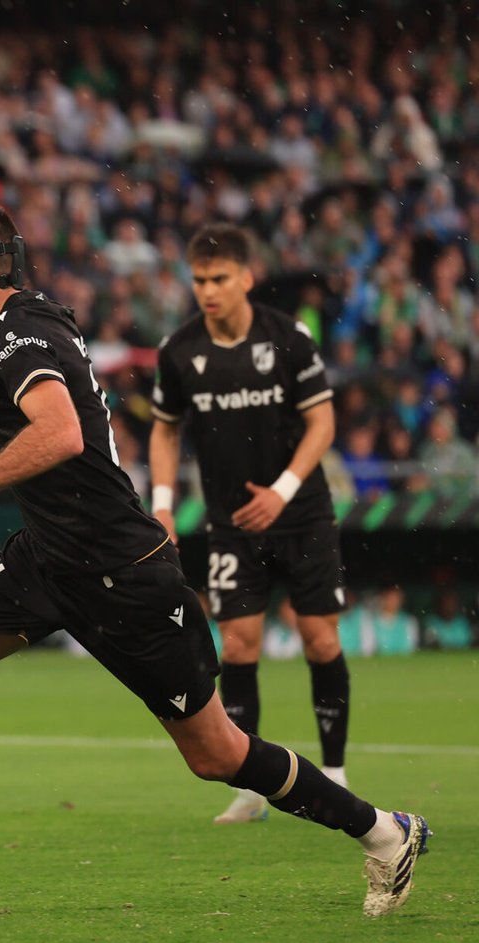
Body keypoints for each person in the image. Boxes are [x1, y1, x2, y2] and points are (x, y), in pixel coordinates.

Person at [0, 121, 428, 918]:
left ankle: (385, 833)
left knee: (217, 756)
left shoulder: (21, 336)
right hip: (49, 559)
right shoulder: (9, 319)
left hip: (123, 574)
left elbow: (62, 434)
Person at [149, 223, 354, 824]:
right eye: (199, 280)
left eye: (218, 279)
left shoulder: (287, 338)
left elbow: (323, 423)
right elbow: (164, 427)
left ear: (246, 277)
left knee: (320, 639)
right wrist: (162, 501)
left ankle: (335, 770)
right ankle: (252, 788)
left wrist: (284, 491)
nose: (207, 291)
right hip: (233, 523)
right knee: (238, 644)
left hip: (302, 513)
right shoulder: (179, 350)